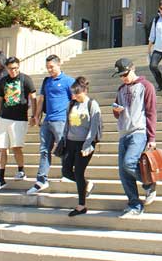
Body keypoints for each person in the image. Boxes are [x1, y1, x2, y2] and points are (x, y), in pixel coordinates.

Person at [112, 58, 157, 216]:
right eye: (121, 75)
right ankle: (134, 205)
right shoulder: (120, 89)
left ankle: (149, 184)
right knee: (123, 172)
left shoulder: (146, 86)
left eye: (126, 73)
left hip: (139, 131)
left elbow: (151, 113)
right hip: (123, 133)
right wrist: (116, 111)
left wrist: (151, 138)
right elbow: (117, 111)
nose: (124, 77)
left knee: (129, 163)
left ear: (133, 68)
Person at [0, 57, 36, 194]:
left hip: (19, 119)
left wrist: (34, 115)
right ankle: (0, 179)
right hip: (4, 118)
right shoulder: (3, 81)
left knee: (16, 147)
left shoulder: (26, 79)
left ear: (19, 67)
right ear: (7, 68)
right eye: (10, 68)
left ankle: (21, 170)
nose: (13, 71)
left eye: (15, 68)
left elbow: (33, 97)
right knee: (2, 148)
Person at [27, 55, 75, 195]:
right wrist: (36, 115)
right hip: (48, 120)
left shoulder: (68, 81)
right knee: (44, 149)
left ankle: (66, 173)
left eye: (51, 67)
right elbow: (41, 99)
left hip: (61, 120)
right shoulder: (46, 81)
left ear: (59, 65)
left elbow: (74, 100)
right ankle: (41, 180)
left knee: (62, 148)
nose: (49, 70)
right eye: (47, 67)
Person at [61, 76, 102, 217]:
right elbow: (67, 124)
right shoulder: (71, 104)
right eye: (73, 93)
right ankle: (86, 184)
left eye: (77, 93)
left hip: (85, 143)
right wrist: (63, 139)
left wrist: (87, 145)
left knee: (78, 171)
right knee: (66, 171)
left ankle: (81, 205)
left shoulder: (92, 104)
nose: (75, 96)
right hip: (70, 142)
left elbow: (94, 127)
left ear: (84, 91)